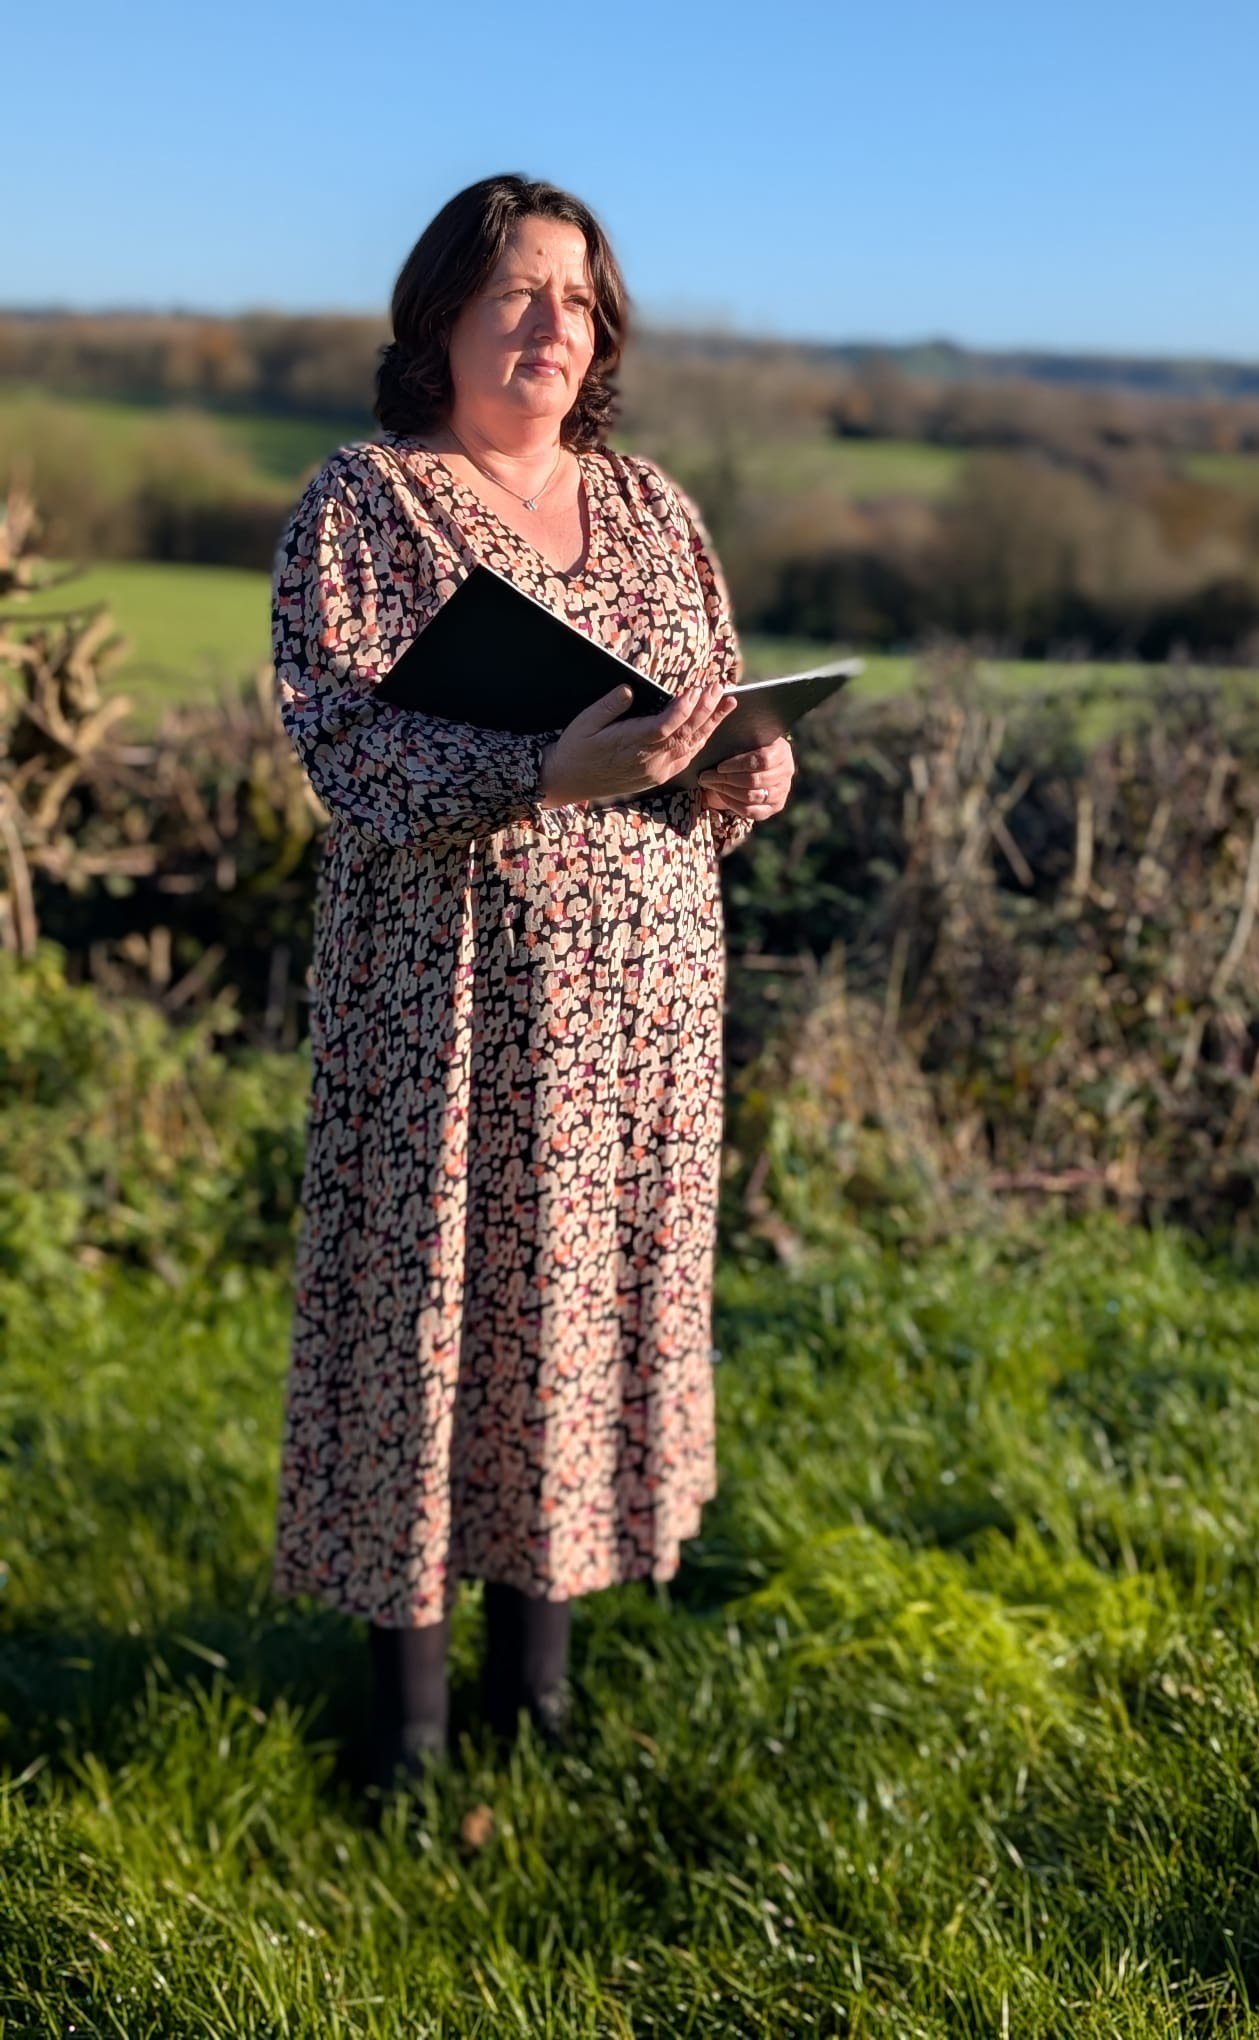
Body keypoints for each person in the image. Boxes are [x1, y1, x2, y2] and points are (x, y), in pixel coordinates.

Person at [267, 173, 795, 1801]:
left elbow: (700, 711)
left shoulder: (652, 505)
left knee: (571, 1322)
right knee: (434, 1330)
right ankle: (410, 1741)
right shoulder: (367, 500)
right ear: (436, 320)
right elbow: (341, 744)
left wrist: (744, 772)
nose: (552, 324)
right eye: (516, 293)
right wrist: (540, 774)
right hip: (442, 1010)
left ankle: (542, 1695)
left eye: (577, 296)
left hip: (635, 1012)